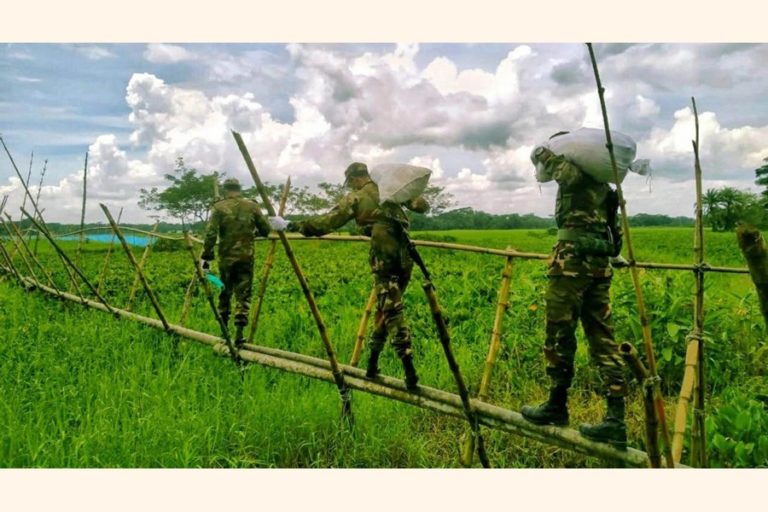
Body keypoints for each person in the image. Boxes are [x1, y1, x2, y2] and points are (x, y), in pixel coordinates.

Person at [274, 162, 429, 390]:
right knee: (386, 306)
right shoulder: (390, 190)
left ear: (355, 179)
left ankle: (410, 372)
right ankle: (372, 365)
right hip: (406, 254)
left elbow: (327, 222)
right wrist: (411, 198)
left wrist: (290, 225)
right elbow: (422, 205)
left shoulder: (356, 198)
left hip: (385, 254)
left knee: (392, 311)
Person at [521, 145, 628, 450]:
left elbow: (560, 170)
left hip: (570, 266)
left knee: (558, 334)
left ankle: (556, 405)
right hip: (598, 266)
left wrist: (545, 151)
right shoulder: (607, 191)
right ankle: (615, 420)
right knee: (604, 339)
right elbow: (615, 237)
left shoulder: (575, 176)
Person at [202, 177, 274, 346]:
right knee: (243, 294)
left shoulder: (219, 207)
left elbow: (211, 233)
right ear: (239, 189)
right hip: (245, 257)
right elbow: (265, 230)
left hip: (226, 258)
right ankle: (239, 335)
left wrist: (207, 253)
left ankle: (224, 332)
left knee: (224, 291)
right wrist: (251, 234)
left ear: (226, 189)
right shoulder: (252, 206)